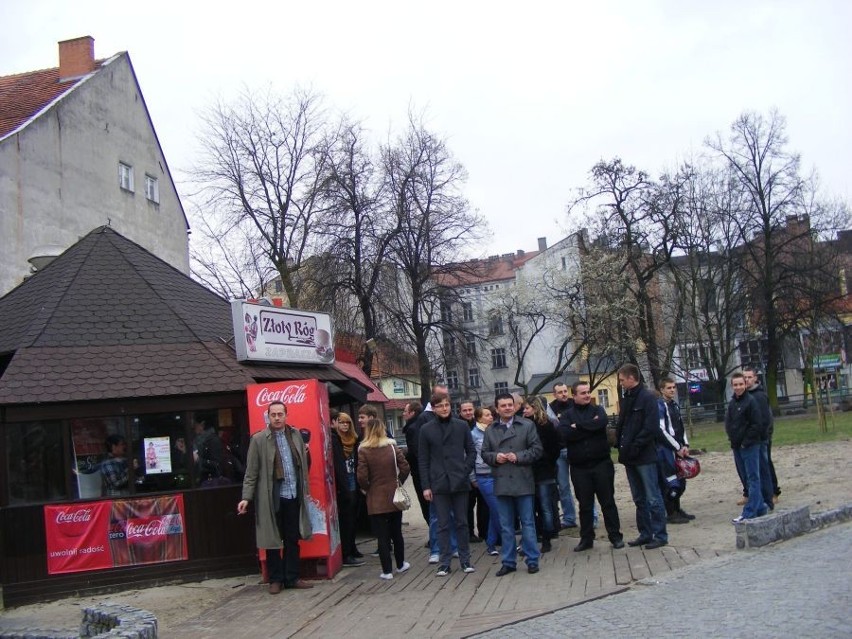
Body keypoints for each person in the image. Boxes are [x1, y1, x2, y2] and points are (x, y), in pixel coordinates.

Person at [238, 401, 313, 593]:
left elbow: (303, 465)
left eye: (280, 414)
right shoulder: (259, 439)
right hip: (271, 496)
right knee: (272, 538)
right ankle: (276, 579)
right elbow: (251, 472)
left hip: (293, 493)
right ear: (268, 416)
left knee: (292, 537)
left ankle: (292, 577)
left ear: (286, 415)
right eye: (274, 414)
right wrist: (246, 497)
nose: (277, 418)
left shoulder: (295, 435)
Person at [481, 392, 543, 576]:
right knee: (506, 526)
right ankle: (508, 562)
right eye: (503, 405)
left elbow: (537, 449)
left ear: (515, 406)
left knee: (528, 523)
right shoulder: (491, 429)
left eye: (510, 405)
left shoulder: (527, 425)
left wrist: (518, 456)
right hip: (501, 482)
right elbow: (484, 453)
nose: (507, 408)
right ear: (497, 408)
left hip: (523, 480)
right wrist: (495, 457)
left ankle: (532, 560)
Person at [558, 381, 624, 551]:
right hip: (580, 467)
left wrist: (578, 427)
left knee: (607, 501)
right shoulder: (567, 415)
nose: (587, 395)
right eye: (583, 393)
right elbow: (565, 433)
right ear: (575, 396)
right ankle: (586, 539)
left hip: (601, 463)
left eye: (588, 392)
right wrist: (588, 427)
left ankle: (615, 536)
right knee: (585, 505)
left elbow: (601, 423)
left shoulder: (598, 410)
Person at [419, 391, 476, 577]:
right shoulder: (426, 429)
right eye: (440, 406)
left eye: (447, 405)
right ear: (433, 409)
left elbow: (472, 452)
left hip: (459, 481)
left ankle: (465, 559)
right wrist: (426, 486)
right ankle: (444, 562)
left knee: (462, 522)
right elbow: (423, 460)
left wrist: (464, 471)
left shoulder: (461, 426)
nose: (444, 408)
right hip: (439, 482)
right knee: (442, 524)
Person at [616, 364, 668, 550]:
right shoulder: (627, 399)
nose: (621, 383)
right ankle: (645, 532)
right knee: (639, 498)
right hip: (630, 456)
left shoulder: (647, 398)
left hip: (644, 455)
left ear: (631, 378)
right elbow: (623, 426)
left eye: (622, 380)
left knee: (653, 497)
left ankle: (660, 534)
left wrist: (636, 445)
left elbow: (651, 427)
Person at [357, 416, 410, 580]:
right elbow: (405, 467)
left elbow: (361, 476)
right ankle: (401, 565)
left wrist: (367, 489)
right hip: (394, 496)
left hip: (375, 498)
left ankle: (387, 571)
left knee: (382, 536)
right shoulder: (392, 447)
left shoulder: (363, 450)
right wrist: (398, 481)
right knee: (397, 533)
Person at [726, 373, 771, 523]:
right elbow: (729, 423)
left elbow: (757, 424)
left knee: (753, 477)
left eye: (740, 384)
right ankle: (759, 508)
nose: (738, 387)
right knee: (746, 477)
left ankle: (750, 511)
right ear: (732, 386)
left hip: (749, 445)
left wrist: (746, 442)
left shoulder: (751, 401)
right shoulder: (732, 403)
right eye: (735, 385)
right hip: (737, 446)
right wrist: (733, 439)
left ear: (745, 385)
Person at [524, 397, 560, 554]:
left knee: (545, 506)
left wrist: (546, 461)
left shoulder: (546, 425)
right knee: (531, 508)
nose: (523, 411)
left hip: (544, 471)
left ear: (534, 408)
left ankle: (547, 537)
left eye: (526, 408)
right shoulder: (523, 425)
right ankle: (532, 538)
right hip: (528, 472)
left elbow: (555, 447)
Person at [657, 378, 694, 524]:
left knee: (681, 480)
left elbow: (680, 426)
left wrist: (685, 444)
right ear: (662, 390)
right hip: (666, 451)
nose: (672, 390)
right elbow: (661, 430)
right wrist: (676, 447)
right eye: (668, 388)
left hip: (678, 448)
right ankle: (671, 512)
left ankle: (677, 509)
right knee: (672, 482)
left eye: (673, 387)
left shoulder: (674, 405)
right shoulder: (660, 406)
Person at [743, 366, 779, 506]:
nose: (747, 380)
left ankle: (773, 492)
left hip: (762, 438)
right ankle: (748, 493)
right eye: (744, 377)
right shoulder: (744, 395)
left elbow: (766, 419)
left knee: (766, 464)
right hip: (749, 438)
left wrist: (765, 436)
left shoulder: (760, 395)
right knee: (750, 467)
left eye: (749, 377)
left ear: (755, 378)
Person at [332, 411, 364, 567]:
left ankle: (352, 546)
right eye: (342, 422)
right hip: (344, 483)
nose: (344, 425)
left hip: (354, 479)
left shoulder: (355, 439)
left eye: (347, 423)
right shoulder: (335, 440)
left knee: (354, 517)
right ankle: (346, 551)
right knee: (346, 518)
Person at [471, 405, 501, 556]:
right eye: (487, 415)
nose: (491, 417)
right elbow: (469, 457)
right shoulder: (473, 434)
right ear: (479, 418)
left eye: (491, 415)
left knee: (496, 510)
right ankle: (506, 542)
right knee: (497, 509)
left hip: (497, 473)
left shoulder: (495, 430)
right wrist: (472, 477)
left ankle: (491, 543)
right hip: (483, 477)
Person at [549, 382, 578, 529]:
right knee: (563, 487)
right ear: (554, 394)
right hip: (559, 451)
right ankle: (569, 518)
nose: (564, 394)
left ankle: (591, 517)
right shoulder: (551, 408)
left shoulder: (575, 404)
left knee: (582, 484)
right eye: (560, 392)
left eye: (565, 391)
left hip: (575, 448)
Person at [460, 399, 486, 544]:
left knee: (483, 504)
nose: (468, 412)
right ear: (460, 411)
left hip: (481, 470)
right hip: (467, 471)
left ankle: (483, 531)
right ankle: (469, 533)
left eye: (470, 410)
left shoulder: (479, 425)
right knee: (468, 505)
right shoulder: (459, 425)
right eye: (465, 410)